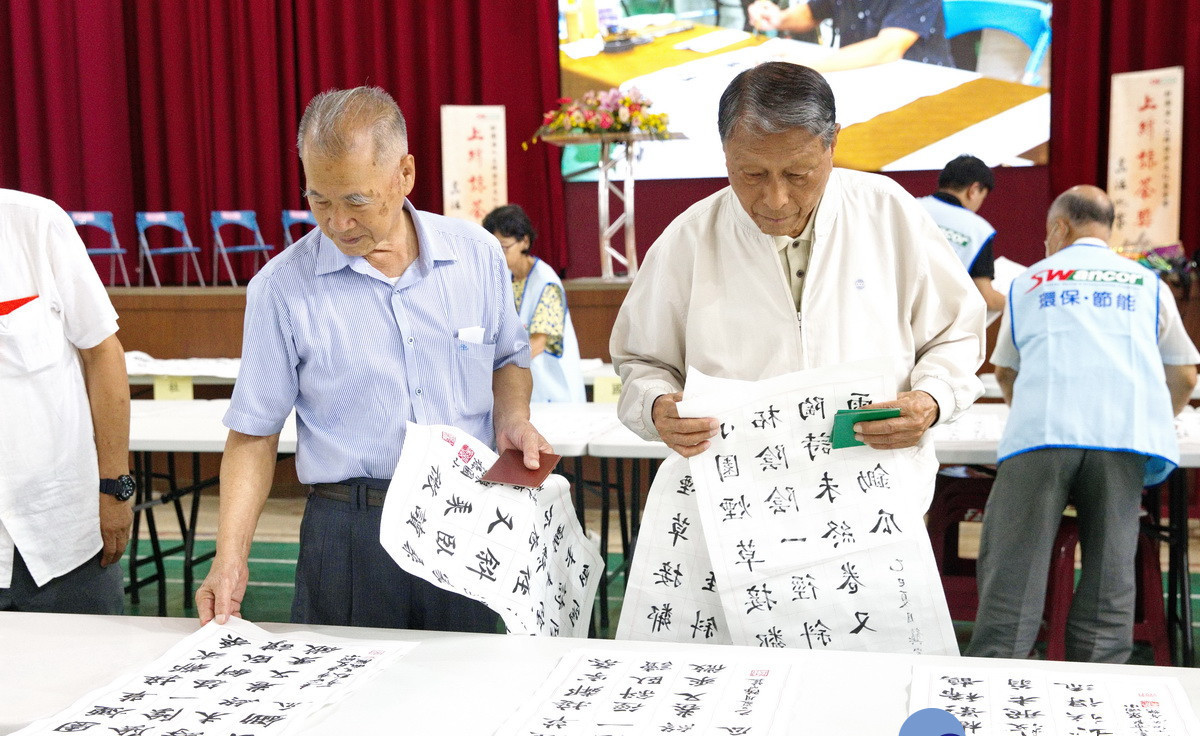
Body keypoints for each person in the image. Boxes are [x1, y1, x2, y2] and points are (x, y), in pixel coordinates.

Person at [195, 87, 550, 632]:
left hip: (466, 515)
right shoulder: (281, 288)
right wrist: (230, 556)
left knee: (472, 677)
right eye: (319, 200)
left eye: (355, 201)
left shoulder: (476, 255)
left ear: (405, 174)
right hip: (352, 532)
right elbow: (254, 433)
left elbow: (507, 358)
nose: (337, 222)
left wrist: (514, 420)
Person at [610, 61, 986, 511]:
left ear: (832, 144)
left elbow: (956, 334)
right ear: (725, 152)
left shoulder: (888, 213)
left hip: (875, 494)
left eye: (797, 174)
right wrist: (656, 406)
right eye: (752, 174)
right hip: (741, 501)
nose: (775, 200)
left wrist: (931, 398)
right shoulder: (688, 239)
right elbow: (642, 361)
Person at [966, 186, 1199, 664]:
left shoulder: (1029, 282)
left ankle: (999, 676)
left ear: (1059, 228)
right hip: (1122, 439)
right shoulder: (1147, 283)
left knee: (1013, 570)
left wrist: (1030, 411)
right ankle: (1098, 683)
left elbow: (1005, 370)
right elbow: (1184, 374)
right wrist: (1158, 418)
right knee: (1110, 574)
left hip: (1041, 436)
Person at [0, 189, 133, 614]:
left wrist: (116, 487)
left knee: (94, 656)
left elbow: (102, 353)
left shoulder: (33, 222)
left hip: (58, 532)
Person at [481, 204, 586, 403]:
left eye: (504, 247)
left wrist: (499, 367)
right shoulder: (504, 278)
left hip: (554, 391)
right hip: (525, 388)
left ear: (525, 241)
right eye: (494, 248)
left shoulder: (547, 282)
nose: (498, 254)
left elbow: (538, 343)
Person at [746, 0, 955, 70]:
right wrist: (779, 18)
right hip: (858, 74)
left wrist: (803, 65)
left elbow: (888, 49)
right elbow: (813, 12)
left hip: (920, 81)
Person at [917, 155, 1005, 313]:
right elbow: (987, 297)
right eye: (982, 197)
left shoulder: (909, 206)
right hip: (934, 318)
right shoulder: (978, 230)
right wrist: (1023, 302)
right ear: (974, 190)